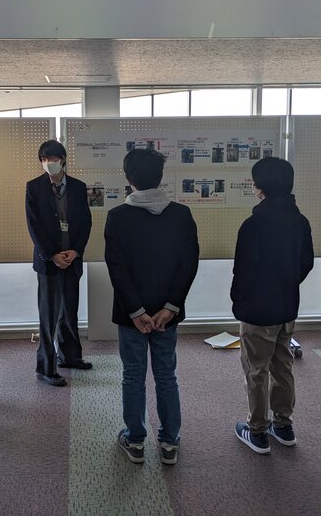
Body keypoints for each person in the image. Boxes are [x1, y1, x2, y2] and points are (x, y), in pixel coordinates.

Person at [104, 149, 199, 465]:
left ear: (128, 178)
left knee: (133, 375)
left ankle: (135, 440)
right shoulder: (181, 214)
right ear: (160, 177)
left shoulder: (118, 217)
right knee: (166, 375)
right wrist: (170, 307)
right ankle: (170, 442)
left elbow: (117, 268)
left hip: (132, 315)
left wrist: (136, 311)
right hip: (166, 315)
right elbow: (188, 264)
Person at [231, 157, 314, 454]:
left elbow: (243, 271)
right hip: (286, 305)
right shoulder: (300, 221)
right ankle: (283, 425)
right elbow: (306, 263)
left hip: (257, 309)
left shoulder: (254, 225)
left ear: (261, 187)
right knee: (283, 365)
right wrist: (287, 284)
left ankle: (257, 431)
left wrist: (239, 302)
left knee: (256, 370)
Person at [25, 140, 92, 386]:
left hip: (72, 259)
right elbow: (34, 225)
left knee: (69, 312)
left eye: (52, 158)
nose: (48, 163)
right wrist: (52, 254)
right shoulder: (34, 187)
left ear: (63, 159)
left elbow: (85, 222)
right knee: (49, 316)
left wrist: (76, 251)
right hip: (48, 262)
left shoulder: (78, 187)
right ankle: (45, 367)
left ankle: (70, 357)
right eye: (44, 159)